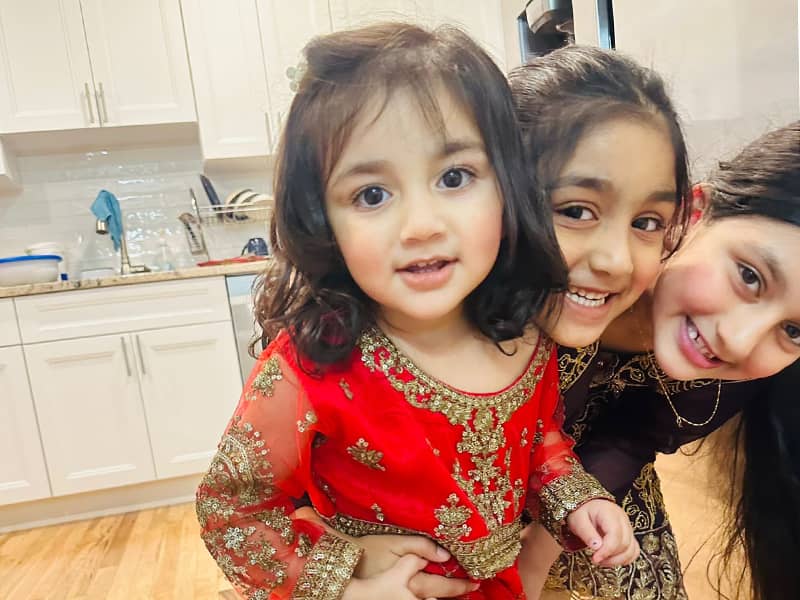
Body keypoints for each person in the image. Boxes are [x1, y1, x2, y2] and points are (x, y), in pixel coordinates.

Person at [195, 24, 638, 600]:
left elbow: (537, 442)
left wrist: (580, 501)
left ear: (508, 184)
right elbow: (231, 507)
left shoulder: (525, 330)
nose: (422, 225)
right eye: (372, 195)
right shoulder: (314, 365)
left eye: (454, 178)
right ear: (323, 221)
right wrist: (346, 589)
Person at [528, 121, 800, 599]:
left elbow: (629, 441)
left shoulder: (741, 372)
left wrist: (530, 570)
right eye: (750, 277)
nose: (738, 340)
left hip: (593, 486)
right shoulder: (561, 276)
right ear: (695, 213)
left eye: (794, 330)